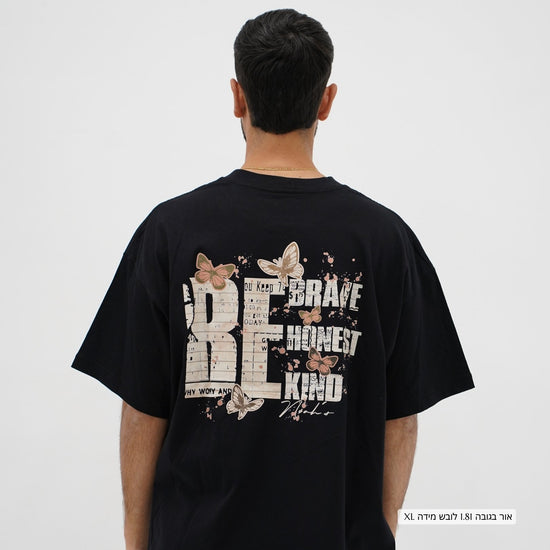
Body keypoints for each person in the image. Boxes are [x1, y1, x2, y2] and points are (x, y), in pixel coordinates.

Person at [70, 8, 475, 550]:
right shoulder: (384, 238)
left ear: (237, 97)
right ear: (326, 101)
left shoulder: (171, 231)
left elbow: (143, 411)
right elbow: (400, 417)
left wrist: (136, 542)